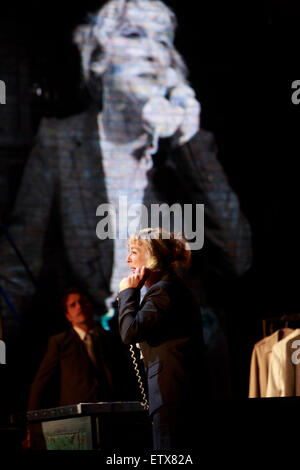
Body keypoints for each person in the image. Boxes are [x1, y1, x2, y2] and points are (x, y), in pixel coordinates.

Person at [0, 0, 252, 407]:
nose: (154, 51)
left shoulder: (185, 150)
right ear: (98, 58)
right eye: (135, 35)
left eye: (163, 40)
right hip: (107, 342)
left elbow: (237, 258)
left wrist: (189, 143)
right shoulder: (60, 142)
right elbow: (16, 271)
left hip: (177, 346)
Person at [118, 227, 206, 450]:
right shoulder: (169, 289)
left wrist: (128, 293)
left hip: (172, 399)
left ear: (152, 257)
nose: (128, 259)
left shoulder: (163, 292)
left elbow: (129, 332)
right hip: (174, 398)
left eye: (134, 252)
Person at [27, 287, 131, 410]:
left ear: (91, 306)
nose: (79, 307)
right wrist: (32, 420)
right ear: (68, 316)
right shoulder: (60, 342)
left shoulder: (110, 338)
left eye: (82, 302)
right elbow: (42, 382)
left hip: (112, 409)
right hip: (76, 414)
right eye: (73, 305)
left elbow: (126, 375)